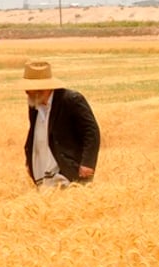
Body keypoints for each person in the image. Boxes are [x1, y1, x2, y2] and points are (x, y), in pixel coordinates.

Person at [19, 59, 101, 187]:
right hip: (42, 169)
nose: (26, 92)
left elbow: (91, 132)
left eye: (29, 88)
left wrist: (87, 163)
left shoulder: (71, 100)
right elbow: (33, 134)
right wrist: (30, 161)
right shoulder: (34, 104)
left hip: (67, 169)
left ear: (41, 88)